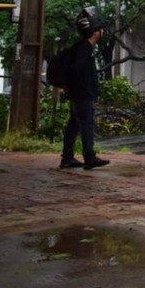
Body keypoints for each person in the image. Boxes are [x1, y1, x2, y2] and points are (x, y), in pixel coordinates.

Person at [60, 10, 110, 170]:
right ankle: (89, 157)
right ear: (95, 32)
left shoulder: (82, 47)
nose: (103, 32)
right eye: (101, 29)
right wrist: (82, 90)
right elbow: (76, 71)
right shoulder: (84, 49)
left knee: (73, 125)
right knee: (87, 125)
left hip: (78, 94)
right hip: (82, 95)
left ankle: (68, 157)